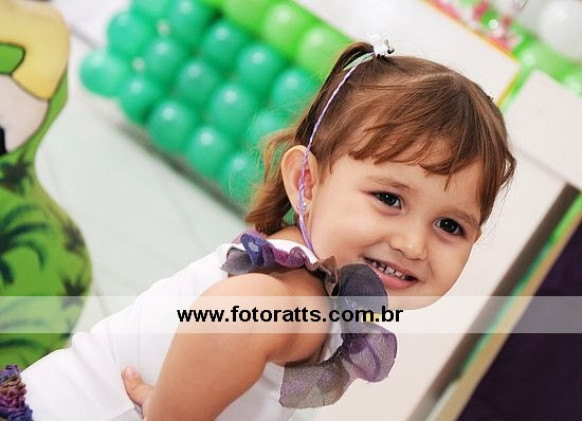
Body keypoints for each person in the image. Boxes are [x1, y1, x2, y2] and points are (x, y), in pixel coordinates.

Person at [1, 39, 515, 421]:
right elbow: (233, 316)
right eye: (389, 199)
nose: (412, 243)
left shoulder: (308, 275)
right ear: (306, 181)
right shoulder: (296, 295)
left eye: (450, 225)